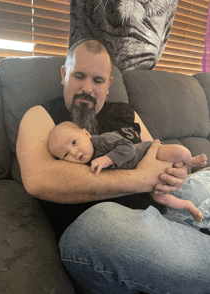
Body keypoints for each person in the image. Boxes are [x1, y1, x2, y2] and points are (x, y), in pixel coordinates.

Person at [16, 39, 210, 294]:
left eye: (97, 80)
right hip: (100, 233)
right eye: (78, 76)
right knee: (101, 221)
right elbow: (38, 178)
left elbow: (156, 154)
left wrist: (176, 173)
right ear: (64, 75)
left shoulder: (125, 112)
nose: (87, 88)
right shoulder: (40, 115)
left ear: (108, 85)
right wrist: (140, 179)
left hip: (160, 211)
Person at [48, 120, 206, 222]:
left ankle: (191, 160)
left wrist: (107, 159)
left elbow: (128, 148)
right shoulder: (83, 164)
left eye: (74, 142)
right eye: (66, 154)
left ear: (86, 133)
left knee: (179, 151)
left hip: (148, 152)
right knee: (161, 197)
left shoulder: (100, 141)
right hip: (150, 182)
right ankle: (187, 206)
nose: (74, 152)